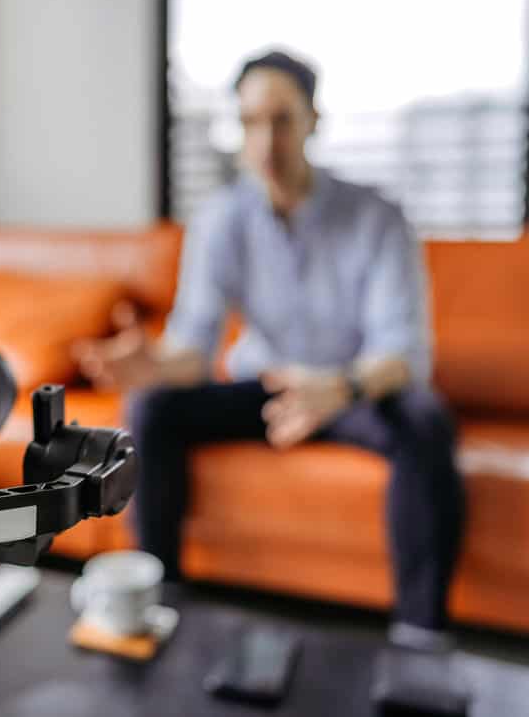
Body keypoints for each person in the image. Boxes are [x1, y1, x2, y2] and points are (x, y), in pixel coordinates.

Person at [76, 50, 465, 651]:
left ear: (314, 121)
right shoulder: (222, 219)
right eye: (251, 122)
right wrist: (152, 365)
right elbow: (194, 349)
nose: (265, 140)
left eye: (281, 120)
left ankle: (421, 634)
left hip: (350, 390)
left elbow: (404, 353)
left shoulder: (376, 217)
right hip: (266, 388)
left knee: (425, 419)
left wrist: (340, 388)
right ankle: (163, 602)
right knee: (152, 409)